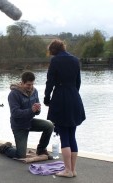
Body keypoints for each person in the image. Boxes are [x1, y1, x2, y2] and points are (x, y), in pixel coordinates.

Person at [44, 39, 86, 177]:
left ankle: (67, 170)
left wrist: (47, 97)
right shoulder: (75, 60)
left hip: (61, 98)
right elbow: (78, 82)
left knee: (64, 136)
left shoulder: (55, 61)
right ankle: (73, 170)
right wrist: (73, 94)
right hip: (74, 97)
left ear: (53, 50)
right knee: (72, 135)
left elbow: (50, 81)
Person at [0, 71, 54, 160]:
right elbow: (15, 113)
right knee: (20, 155)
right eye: (28, 85)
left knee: (49, 125)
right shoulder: (13, 94)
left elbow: (36, 108)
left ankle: (41, 149)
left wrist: (37, 110)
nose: (30, 87)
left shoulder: (34, 91)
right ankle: (5, 148)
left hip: (30, 122)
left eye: (32, 84)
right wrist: (31, 110)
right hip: (19, 125)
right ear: (22, 82)